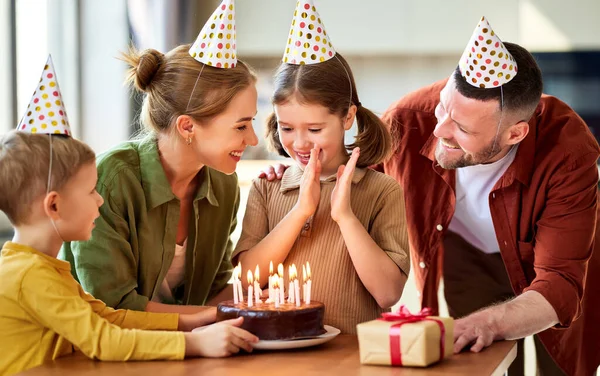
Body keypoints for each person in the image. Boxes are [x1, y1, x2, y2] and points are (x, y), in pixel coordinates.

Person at [0, 55, 257, 376]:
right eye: (242, 125)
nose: (100, 199)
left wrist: (197, 319)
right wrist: (194, 342)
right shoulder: (29, 274)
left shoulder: (47, 269)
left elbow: (109, 315)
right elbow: (104, 338)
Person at [380, 17, 600, 376]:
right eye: (442, 108)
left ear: (515, 134)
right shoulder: (407, 119)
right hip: (466, 255)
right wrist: (292, 171)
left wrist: (490, 322)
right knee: (481, 361)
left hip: (554, 255)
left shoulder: (569, 149)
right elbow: (353, 181)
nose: (439, 131)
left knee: (561, 365)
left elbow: (560, 280)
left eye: (462, 128)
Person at [60, 0, 259, 315]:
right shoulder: (110, 180)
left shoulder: (224, 184)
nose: (253, 139)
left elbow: (215, 291)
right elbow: (111, 308)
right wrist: (211, 320)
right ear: (187, 126)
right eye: (241, 126)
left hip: (184, 354)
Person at [234, 0, 410, 334]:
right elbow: (247, 281)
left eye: (314, 130)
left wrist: (343, 214)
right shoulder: (268, 187)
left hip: (352, 356)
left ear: (347, 117)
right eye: (287, 128)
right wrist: (302, 209)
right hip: (274, 353)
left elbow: (387, 293)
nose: (299, 143)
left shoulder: (382, 191)